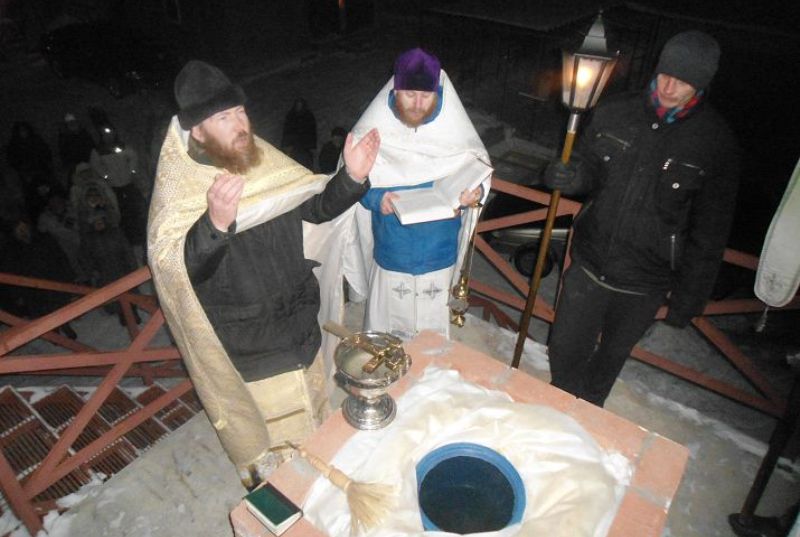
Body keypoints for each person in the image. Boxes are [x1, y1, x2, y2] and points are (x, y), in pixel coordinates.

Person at [147, 60, 379, 487]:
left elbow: (312, 208)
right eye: (223, 117)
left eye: (240, 111)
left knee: (318, 424)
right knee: (281, 458)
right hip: (254, 351)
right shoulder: (182, 189)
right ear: (197, 131)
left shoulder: (263, 162)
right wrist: (214, 224)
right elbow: (178, 272)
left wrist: (352, 177)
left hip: (302, 328)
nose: (240, 124)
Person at [543, 30, 741, 407]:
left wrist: (689, 298)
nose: (668, 86)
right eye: (665, 74)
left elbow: (711, 230)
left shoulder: (715, 142)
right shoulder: (616, 111)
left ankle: (590, 410)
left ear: (701, 85)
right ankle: (561, 405)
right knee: (563, 348)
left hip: (645, 283)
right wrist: (568, 176)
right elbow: (588, 170)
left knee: (609, 360)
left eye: (682, 81)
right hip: (589, 264)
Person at [345, 47, 490, 339]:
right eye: (410, 94)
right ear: (396, 90)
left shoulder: (454, 132)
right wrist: (377, 199)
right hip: (393, 248)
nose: (418, 104)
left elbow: (478, 170)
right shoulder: (372, 131)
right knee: (386, 330)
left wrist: (473, 194)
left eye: (426, 96)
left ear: (438, 94)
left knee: (430, 334)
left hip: (439, 251)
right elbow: (351, 181)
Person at [90, 124, 148, 258]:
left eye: (110, 134)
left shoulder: (122, 146)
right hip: (114, 188)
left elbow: (133, 157)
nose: (108, 137)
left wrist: (131, 171)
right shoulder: (98, 151)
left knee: (137, 211)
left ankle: (143, 237)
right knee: (123, 214)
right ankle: (133, 243)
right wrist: (106, 176)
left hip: (128, 184)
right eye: (105, 135)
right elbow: (95, 165)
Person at [57, 112, 95, 186]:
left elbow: (91, 147)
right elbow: (63, 153)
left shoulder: (84, 134)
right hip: (75, 166)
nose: (72, 124)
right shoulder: (64, 138)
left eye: (73, 122)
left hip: (90, 163)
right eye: (70, 123)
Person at [280, 97, 317, 169]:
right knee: (293, 164)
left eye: (300, 105)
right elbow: (287, 131)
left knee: (306, 164)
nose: (299, 106)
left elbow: (312, 132)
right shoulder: (290, 116)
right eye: (297, 105)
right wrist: (286, 145)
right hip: (293, 146)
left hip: (305, 146)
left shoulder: (309, 116)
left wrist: (312, 146)